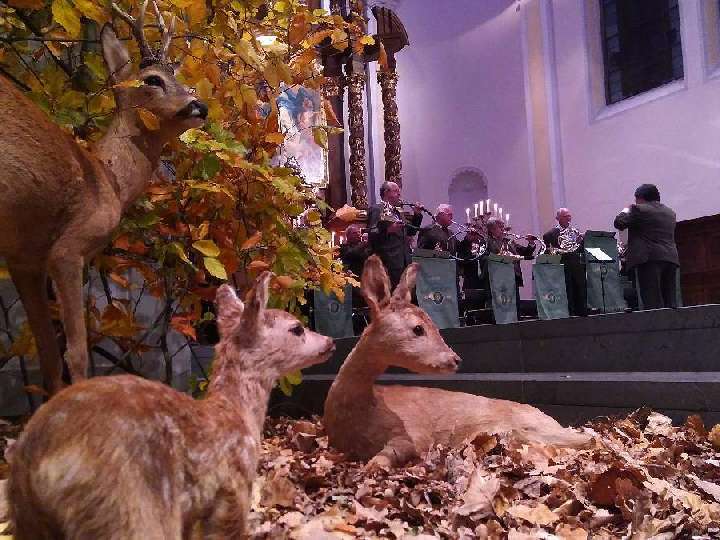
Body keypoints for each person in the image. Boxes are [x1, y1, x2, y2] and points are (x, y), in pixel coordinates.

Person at [614, 183, 679, 310]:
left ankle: (656, 329)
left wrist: (627, 209)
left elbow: (619, 223)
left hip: (648, 259)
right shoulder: (670, 212)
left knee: (652, 302)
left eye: (636, 199)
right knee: (670, 303)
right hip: (670, 259)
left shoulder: (639, 209)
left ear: (641, 198)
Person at [367, 181, 423, 290]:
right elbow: (372, 233)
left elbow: (410, 232)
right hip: (389, 261)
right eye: (396, 191)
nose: (399, 194)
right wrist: (388, 230)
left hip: (404, 260)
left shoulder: (398, 212)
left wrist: (417, 215)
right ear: (386, 192)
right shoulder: (377, 209)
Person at [543, 208, 587, 316]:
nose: (568, 218)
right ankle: (569, 315)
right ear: (558, 218)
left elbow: (580, 249)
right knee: (567, 292)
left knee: (580, 291)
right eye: (565, 216)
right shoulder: (550, 234)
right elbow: (549, 252)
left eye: (569, 216)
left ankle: (582, 313)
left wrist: (583, 240)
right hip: (562, 266)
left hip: (577, 265)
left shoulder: (575, 232)